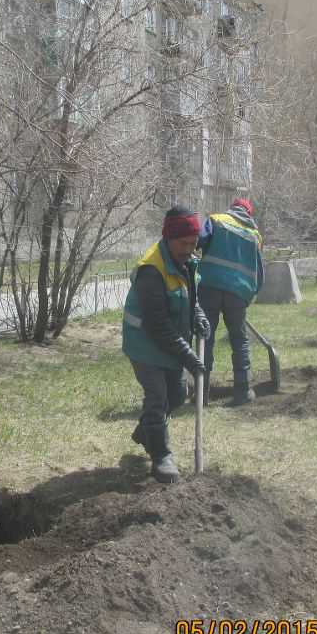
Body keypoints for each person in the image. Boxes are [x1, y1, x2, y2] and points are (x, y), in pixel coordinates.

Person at [122, 206, 210, 483]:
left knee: (178, 394)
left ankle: (147, 430)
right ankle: (161, 457)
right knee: (158, 397)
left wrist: (198, 314)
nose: (188, 249)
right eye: (183, 243)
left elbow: (189, 296)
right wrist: (189, 356)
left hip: (170, 341)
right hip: (145, 343)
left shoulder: (187, 262)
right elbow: (157, 324)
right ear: (169, 238)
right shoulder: (152, 269)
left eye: (193, 244)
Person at [197, 198, 264, 406]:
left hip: (210, 286)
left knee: (205, 337)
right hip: (238, 293)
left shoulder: (216, 220)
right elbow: (259, 272)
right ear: (248, 214)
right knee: (239, 340)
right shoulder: (255, 236)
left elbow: (198, 241)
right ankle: (243, 392)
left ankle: (201, 393)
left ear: (232, 208)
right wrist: (249, 295)